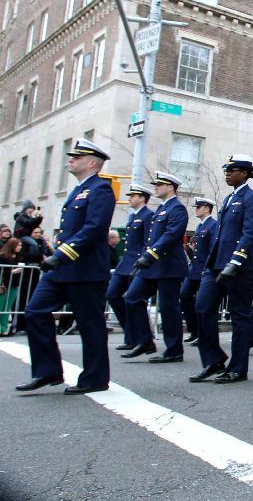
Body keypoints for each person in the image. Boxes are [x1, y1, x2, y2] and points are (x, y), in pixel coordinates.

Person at [16, 139, 116, 395]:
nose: (70, 160)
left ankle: (95, 378)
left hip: (85, 270)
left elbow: (93, 229)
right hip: (61, 271)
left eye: (76, 157)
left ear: (91, 163)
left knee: (89, 325)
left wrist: (60, 255)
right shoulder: (78, 190)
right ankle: (47, 370)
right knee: (35, 312)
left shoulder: (101, 189)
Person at [190, 154, 253, 384]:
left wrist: (236, 261)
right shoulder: (229, 199)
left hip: (239, 267)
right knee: (202, 307)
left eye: (232, 170)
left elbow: (249, 233)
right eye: (227, 170)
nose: (227, 173)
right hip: (217, 265)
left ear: (244, 173)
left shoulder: (251, 198)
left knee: (240, 316)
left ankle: (238, 368)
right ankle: (213, 360)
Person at [123, 172, 189, 363]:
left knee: (169, 308)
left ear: (170, 187)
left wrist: (150, 255)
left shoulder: (177, 209)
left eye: (160, 184)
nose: (156, 187)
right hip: (152, 266)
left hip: (169, 266)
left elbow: (171, 235)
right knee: (132, 298)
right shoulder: (161, 209)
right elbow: (151, 238)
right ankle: (145, 341)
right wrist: (145, 257)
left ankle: (174, 350)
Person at [107, 184, 154, 351]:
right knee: (112, 295)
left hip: (136, 263)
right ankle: (131, 334)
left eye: (133, 195)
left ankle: (139, 339)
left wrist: (142, 260)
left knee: (132, 300)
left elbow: (148, 241)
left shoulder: (148, 215)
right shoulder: (133, 216)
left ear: (142, 198)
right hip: (124, 264)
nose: (130, 198)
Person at [181, 198, 217, 344]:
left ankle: (202, 334)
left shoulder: (213, 225)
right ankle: (194, 330)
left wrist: (207, 267)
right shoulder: (200, 226)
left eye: (199, 207)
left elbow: (212, 249)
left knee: (203, 304)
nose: (196, 209)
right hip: (194, 270)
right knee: (184, 297)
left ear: (207, 209)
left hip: (204, 270)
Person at [1, 238, 26, 335]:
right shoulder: (3, 256)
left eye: (20, 246)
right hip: (3, 285)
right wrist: (13, 271)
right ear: (12, 245)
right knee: (1, 307)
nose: (20, 247)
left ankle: (3, 329)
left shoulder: (18, 257)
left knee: (7, 307)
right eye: (18, 245)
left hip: (14, 285)